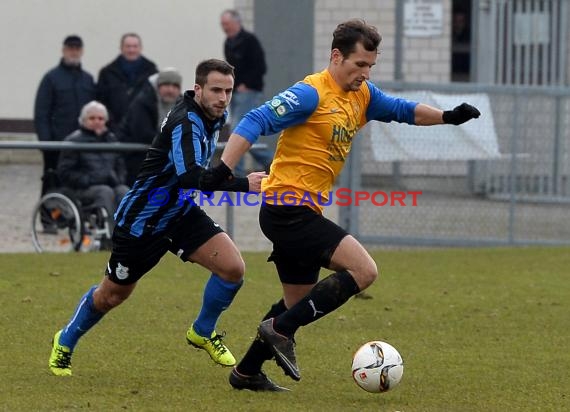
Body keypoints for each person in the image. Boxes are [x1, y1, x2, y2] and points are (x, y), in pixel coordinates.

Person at [207, 19, 480, 391]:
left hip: (303, 211)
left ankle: (247, 372)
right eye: (359, 65)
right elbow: (255, 119)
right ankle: (280, 330)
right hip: (286, 208)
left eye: (370, 66)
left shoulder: (362, 95)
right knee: (364, 271)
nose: (365, 74)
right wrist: (223, 168)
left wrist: (447, 117)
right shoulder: (311, 93)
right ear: (336, 56)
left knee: (297, 302)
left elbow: (404, 110)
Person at [48, 59, 267, 377]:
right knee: (112, 295)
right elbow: (192, 178)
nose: (223, 97)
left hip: (178, 212)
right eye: (216, 90)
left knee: (233, 268)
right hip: (142, 221)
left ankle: (202, 332)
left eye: (228, 91)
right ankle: (64, 341)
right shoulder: (187, 122)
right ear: (198, 89)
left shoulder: (214, 114)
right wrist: (244, 184)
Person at [34, 35, 96, 197]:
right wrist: (47, 144)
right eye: (70, 49)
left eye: (77, 49)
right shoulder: (51, 78)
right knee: (52, 182)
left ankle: (75, 217)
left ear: (82, 51)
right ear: (63, 50)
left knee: (78, 183)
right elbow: (41, 114)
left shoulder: (88, 80)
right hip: (57, 145)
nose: (73, 52)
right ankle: (49, 218)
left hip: (83, 144)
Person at [56, 101, 129, 236]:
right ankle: (111, 237)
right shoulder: (73, 141)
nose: (97, 121)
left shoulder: (112, 140)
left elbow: (121, 167)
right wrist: (88, 179)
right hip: (83, 188)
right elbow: (65, 172)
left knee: (125, 191)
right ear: (83, 120)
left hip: (109, 184)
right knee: (105, 192)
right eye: (92, 118)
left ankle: (130, 235)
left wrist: (117, 178)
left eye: (101, 118)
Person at [220, 9, 273, 176]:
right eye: (223, 25)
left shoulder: (249, 41)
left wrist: (247, 84)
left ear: (236, 23)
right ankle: (270, 161)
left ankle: (237, 172)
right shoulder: (228, 43)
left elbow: (260, 66)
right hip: (235, 92)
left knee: (238, 131)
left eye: (227, 24)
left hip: (249, 92)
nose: (225, 28)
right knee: (244, 133)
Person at [117, 67, 183, 185]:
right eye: (166, 85)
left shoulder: (182, 104)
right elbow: (143, 134)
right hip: (137, 157)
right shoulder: (143, 101)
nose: (170, 90)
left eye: (175, 86)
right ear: (158, 86)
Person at [96, 33, 158, 132]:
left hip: (143, 132)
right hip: (113, 130)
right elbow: (101, 102)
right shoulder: (107, 73)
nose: (131, 50)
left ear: (140, 48)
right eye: (128, 46)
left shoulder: (152, 72)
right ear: (121, 48)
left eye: (135, 46)